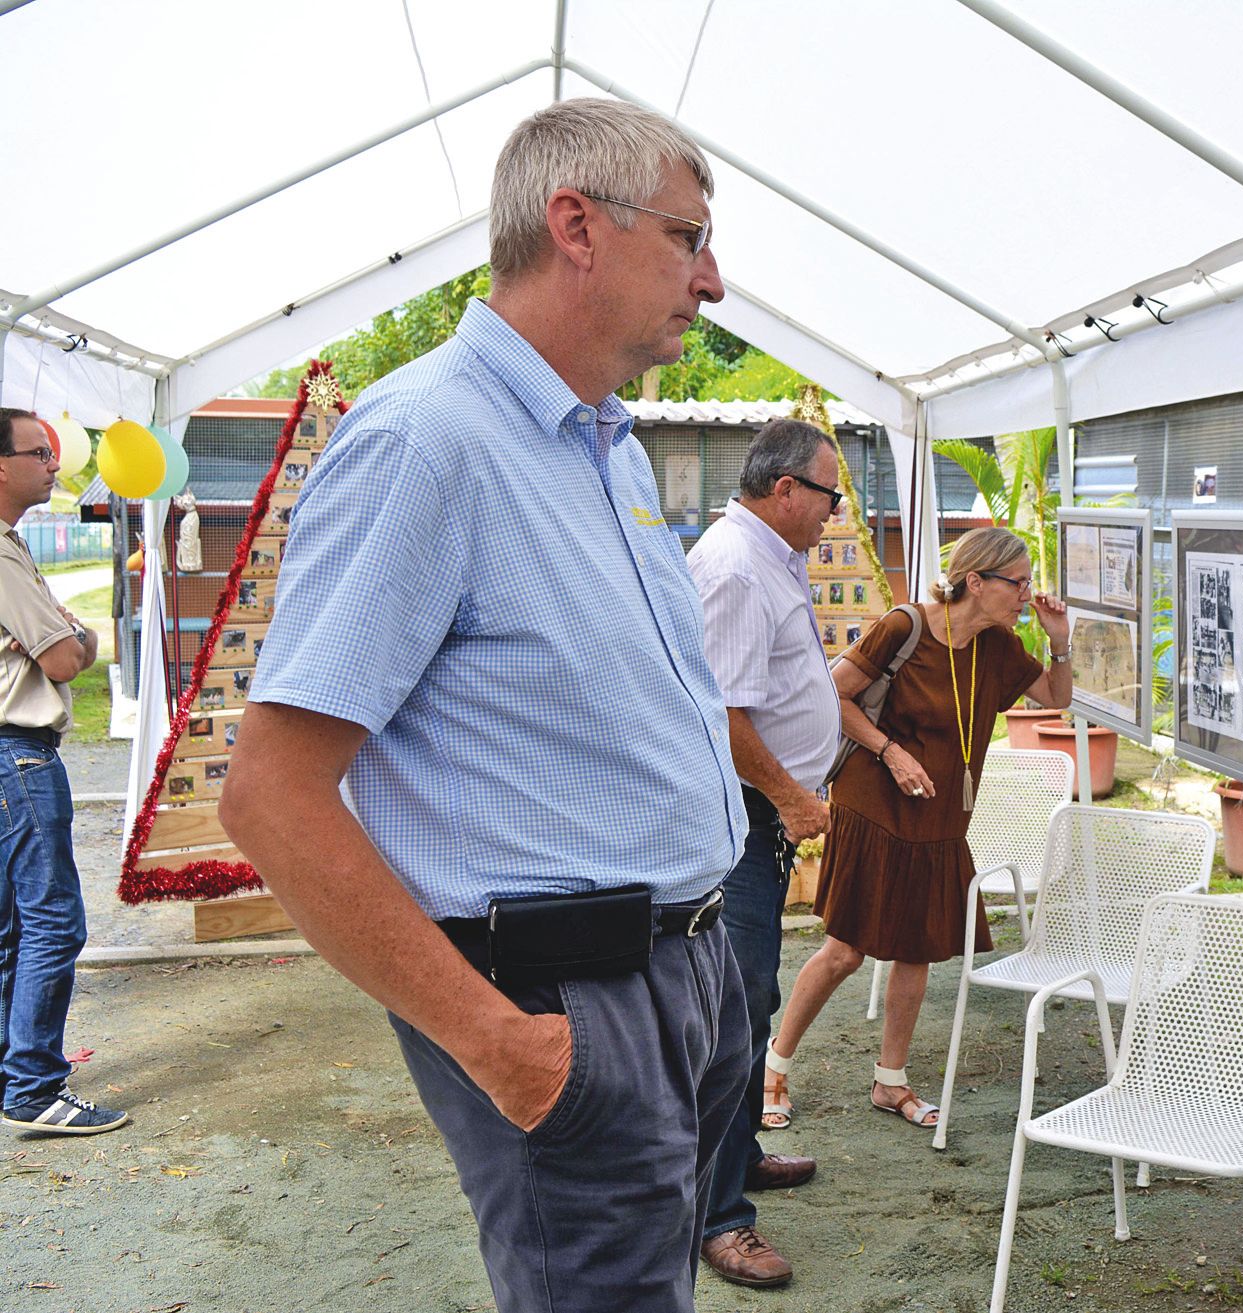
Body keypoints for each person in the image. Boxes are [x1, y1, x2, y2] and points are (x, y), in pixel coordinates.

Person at [221, 99, 749, 1313]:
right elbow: (272, 795)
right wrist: (495, 1039)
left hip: (682, 968)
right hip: (562, 998)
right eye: (687, 237)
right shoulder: (426, 442)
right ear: (577, 224)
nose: (710, 280)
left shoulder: (603, 441)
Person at [762, 528, 1070, 1133]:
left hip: (941, 818)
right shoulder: (905, 628)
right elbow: (835, 695)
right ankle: (773, 1066)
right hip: (875, 803)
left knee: (918, 949)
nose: (1026, 594)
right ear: (976, 581)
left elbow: (1055, 699)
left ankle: (891, 1081)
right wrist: (890, 752)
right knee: (846, 948)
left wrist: (1060, 643)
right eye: (1019, 582)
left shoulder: (999, 646)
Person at [685, 418, 840, 1288]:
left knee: (750, 999)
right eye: (827, 494)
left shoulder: (765, 556)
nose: (834, 512)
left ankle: (736, 1160)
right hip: (741, 817)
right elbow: (724, 715)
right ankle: (716, 1219)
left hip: (759, 822)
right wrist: (787, 793)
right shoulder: (739, 568)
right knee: (731, 1017)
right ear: (784, 488)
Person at [0, 410, 124, 1136]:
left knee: (13, 924)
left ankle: (16, 1071)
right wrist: (74, 633)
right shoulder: (5, 554)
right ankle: (34, 1086)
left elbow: (69, 642)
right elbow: (67, 656)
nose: (54, 463)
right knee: (53, 921)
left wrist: (70, 635)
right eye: (39, 452)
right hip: (19, 753)